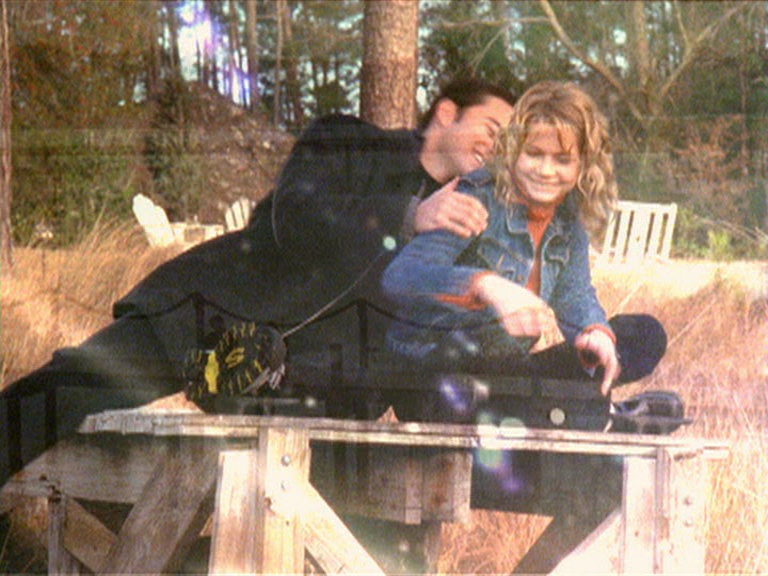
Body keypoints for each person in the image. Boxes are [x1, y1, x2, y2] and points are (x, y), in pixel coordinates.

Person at [1, 77, 517, 480]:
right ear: (445, 113)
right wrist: (405, 217)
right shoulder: (347, 140)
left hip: (290, 395)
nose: (497, 148)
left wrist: (505, 333)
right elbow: (295, 217)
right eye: (491, 129)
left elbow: (419, 364)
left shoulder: (461, 237)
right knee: (69, 389)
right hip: (204, 318)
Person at [381, 81, 674, 429]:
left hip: (501, 375)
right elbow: (401, 277)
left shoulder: (568, 218)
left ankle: (563, 408)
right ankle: (598, 417)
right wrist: (486, 286)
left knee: (644, 335)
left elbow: (575, 293)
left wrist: (594, 333)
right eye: (534, 154)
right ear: (513, 151)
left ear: (583, 165)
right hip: (432, 372)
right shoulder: (477, 194)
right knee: (501, 350)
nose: (546, 171)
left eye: (562, 160)